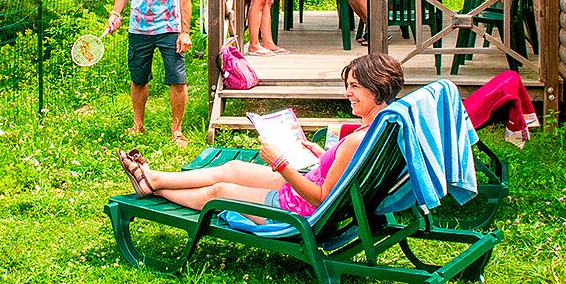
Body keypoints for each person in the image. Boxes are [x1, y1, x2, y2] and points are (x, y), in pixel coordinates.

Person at [117, 53, 404, 217]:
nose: (347, 93)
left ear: (376, 88)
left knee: (221, 191)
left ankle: (154, 188)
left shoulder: (356, 140)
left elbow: (320, 199)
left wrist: (280, 163)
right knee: (233, 168)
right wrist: (322, 155)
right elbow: (344, 170)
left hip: (300, 209)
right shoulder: (380, 127)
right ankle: (155, 178)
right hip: (306, 185)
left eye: (355, 87)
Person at [104, 0, 194, 147]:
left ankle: (177, 131)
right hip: (138, 28)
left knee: (177, 80)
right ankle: (138, 125)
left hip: (169, 27)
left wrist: (185, 32)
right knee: (138, 80)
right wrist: (115, 13)